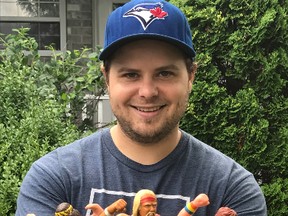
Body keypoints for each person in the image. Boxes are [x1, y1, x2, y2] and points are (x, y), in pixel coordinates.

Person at [16, 0, 267, 215]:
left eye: (165, 73)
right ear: (107, 78)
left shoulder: (232, 189)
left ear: (191, 76)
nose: (147, 92)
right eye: (130, 74)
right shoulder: (53, 179)